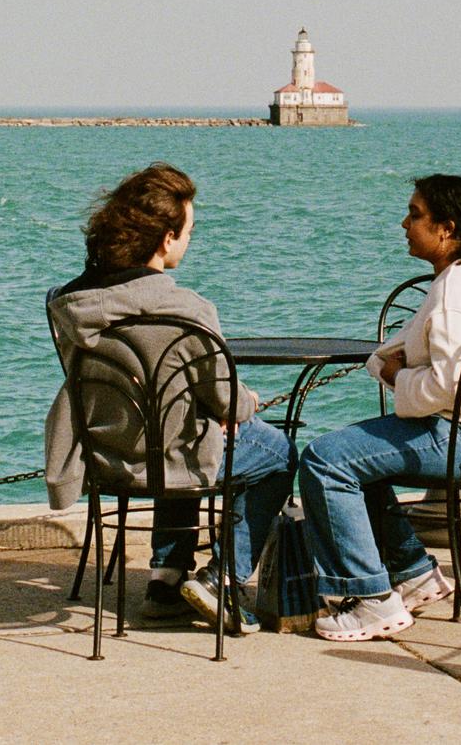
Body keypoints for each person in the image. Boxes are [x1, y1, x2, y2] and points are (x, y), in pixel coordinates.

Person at [45, 163, 296, 632]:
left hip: (105, 457)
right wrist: (246, 400)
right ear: (166, 239)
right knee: (277, 453)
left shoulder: (72, 304)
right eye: (189, 231)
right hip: (167, 456)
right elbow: (230, 403)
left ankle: (165, 581)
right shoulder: (188, 310)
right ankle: (222, 578)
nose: (189, 240)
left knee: (179, 424)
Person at [298, 173, 461, 642]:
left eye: (415, 215)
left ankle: (372, 600)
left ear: (446, 228)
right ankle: (413, 574)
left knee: (324, 460)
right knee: (353, 458)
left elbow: (447, 385)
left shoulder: (455, 291)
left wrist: (397, 375)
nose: (404, 223)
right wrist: (390, 365)